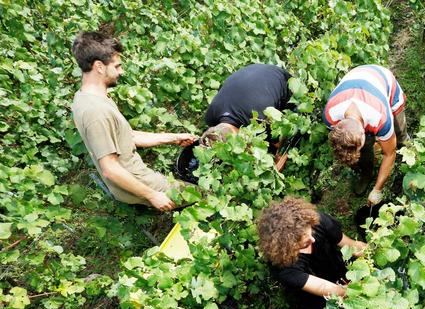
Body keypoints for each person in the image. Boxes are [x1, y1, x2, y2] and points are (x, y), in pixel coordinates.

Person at [71, 31, 196, 211]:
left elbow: (126, 136)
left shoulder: (88, 97)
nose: (121, 71)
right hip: (137, 180)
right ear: (99, 66)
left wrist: (172, 138)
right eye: (117, 66)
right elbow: (110, 168)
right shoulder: (95, 112)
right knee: (202, 195)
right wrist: (152, 195)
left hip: (135, 176)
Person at [257, 197, 367, 309]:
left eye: (311, 234)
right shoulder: (282, 267)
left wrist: (369, 250)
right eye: (305, 243)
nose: (313, 240)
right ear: (288, 247)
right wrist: (356, 292)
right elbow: (324, 288)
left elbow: (350, 244)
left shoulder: (318, 221)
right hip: (312, 292)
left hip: (337, 267)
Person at [323, 65, 409, 205]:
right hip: (353, 85)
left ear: (364, 132)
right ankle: (366, 173)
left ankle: (408, 157)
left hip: (382, 79)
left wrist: (377, 190)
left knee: (400, 137)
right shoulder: (330, 116)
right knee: (364, 152)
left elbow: (389, 154)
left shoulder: (380, 118)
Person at [202, 64, 293, 171]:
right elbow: (211, 137)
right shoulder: (210, 116)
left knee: (279, 143)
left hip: (285, 81)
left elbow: (281, 146)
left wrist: (277, 166)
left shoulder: (261, 121)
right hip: (253, 71)